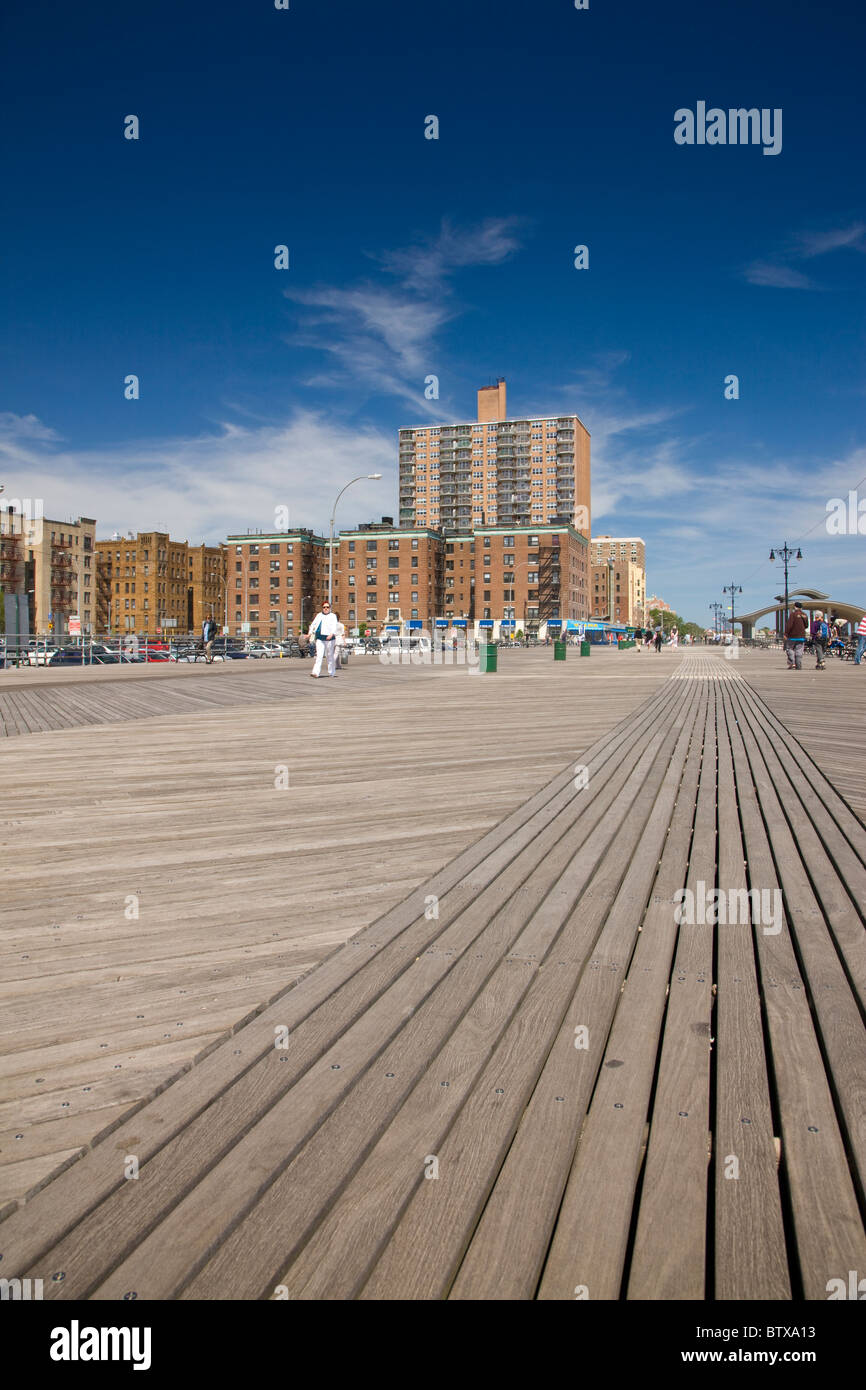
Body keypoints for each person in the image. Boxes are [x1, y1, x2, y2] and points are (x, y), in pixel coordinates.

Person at [307, 599, 338, 677]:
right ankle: (315, 672)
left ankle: (331, 672)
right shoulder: (319, 615)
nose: (326, 608)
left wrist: (331, 634)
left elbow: (334, 626)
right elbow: (313, 624)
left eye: (327, 607)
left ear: (330, 608)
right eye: (324, 607)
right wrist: (309, 633)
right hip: (320, 638)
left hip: (330, 638)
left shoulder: (333, 616)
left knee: (329, 655)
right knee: (319, 655)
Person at [784, 602, 808, 669]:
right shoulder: (805, 615)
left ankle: (793, 663)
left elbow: (789, 625)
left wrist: (786, 633)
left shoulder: (793, 614)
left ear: (795, 607)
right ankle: (798, 663)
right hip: (801, 636)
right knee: (799, 650)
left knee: (790, 648)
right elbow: (806, 625)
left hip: (792, 636)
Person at [332, 611, 346, 676]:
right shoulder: (341, 625)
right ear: (339, 618)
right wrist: (344, 641)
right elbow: (343, 634)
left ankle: (338, 665)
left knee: (334, 653)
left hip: (332, 639)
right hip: (338, 639)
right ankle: (333, 665)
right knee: (336, 653)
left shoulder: (331, 625)